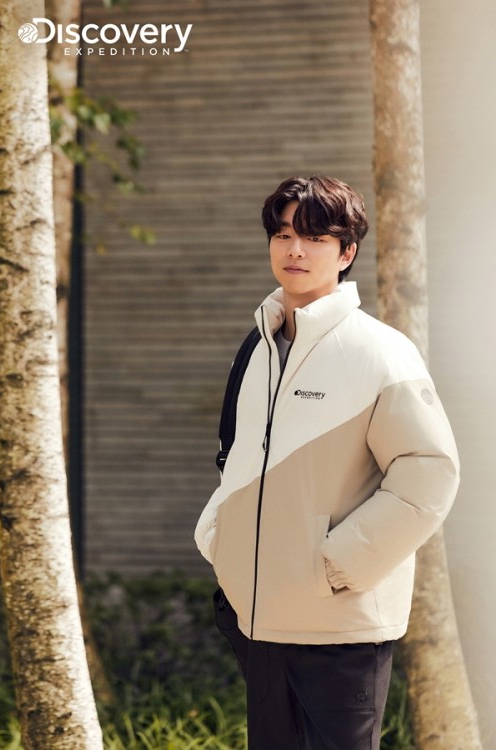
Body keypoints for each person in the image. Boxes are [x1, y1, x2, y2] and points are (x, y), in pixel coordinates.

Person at [194, 175, 459, 750]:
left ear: (346, 252)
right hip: (260, 621)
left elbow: (428, 473)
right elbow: (237, 457)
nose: (295, 250)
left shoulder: (380, 351)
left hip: (340, 630)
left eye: (315, 237)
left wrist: (337, 565)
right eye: (283, 234)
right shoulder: (259, 347)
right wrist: (219, 536)